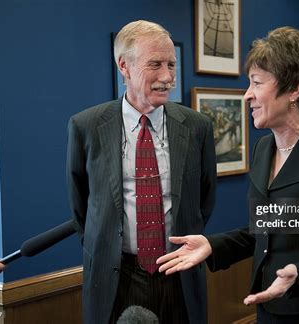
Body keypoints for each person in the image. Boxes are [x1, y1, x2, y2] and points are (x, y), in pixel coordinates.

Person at [157, 27, 299, 324]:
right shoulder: (263, 148)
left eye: (257, 83)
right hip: (267, 308)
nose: (247, 95)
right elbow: (264, 229)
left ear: (295, 89)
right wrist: (213, 246)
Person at [66, 20, 216, 324]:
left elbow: (204, 201)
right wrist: (106, 245)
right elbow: (81, 205)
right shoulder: (87, 126)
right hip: (116, 278)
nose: (167, 76)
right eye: (156, 64)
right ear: (124, 66)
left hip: (179, 273)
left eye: (172, 64)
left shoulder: (198, 127)